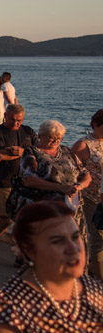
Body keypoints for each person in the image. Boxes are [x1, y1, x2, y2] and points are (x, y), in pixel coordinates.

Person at [0, 201, 103, 332]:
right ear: (29, 250)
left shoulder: (93, 291)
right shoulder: (9, 310)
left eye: (75, 237)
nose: (73, 249)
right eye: (57, 241)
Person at [8, 121, 91, 247]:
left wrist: (78, 186)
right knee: (51, 244)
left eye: (59, 138)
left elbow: (86, 175)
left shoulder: (67, 151)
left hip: (71, 207)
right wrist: (60, 188)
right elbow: (29, 179)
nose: (55, 141)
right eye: (51, 137)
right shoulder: (32, 152)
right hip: (47, 208)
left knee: (74, 245)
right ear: (41, 135)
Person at [0, 104, 37, 263]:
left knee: (25, 218)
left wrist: (18, 151)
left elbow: (37, 153)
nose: (15, 123)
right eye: (12, 120)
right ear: (5, 115)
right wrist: (24, 152)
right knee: (7, 217)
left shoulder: (28, 132)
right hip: (5, 180)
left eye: (19, 120)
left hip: (27, 181)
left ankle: (21, 251)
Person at [72, 109, 103, 279]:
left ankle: (93, 268)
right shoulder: (83, 145)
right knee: (97, 236)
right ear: (96, 125)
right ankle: (97, 278)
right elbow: (70, 171)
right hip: (91, 197)